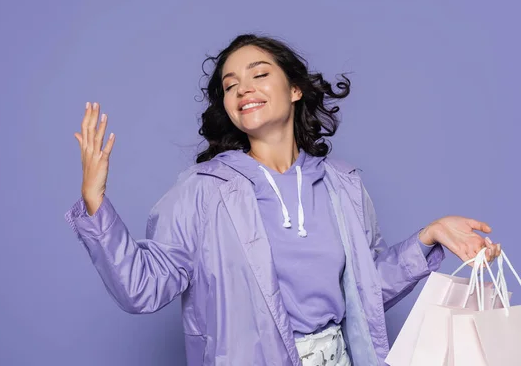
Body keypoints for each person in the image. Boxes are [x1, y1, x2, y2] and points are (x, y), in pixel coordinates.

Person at [65, 34, 501, 366]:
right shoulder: (203, 190)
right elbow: (141, 288)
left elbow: (364, 291)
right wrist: (95, 203)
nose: (242, 89)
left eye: (259, 74)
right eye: (230, 84)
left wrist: (429, 236)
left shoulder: (342, 185)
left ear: (295, 89)